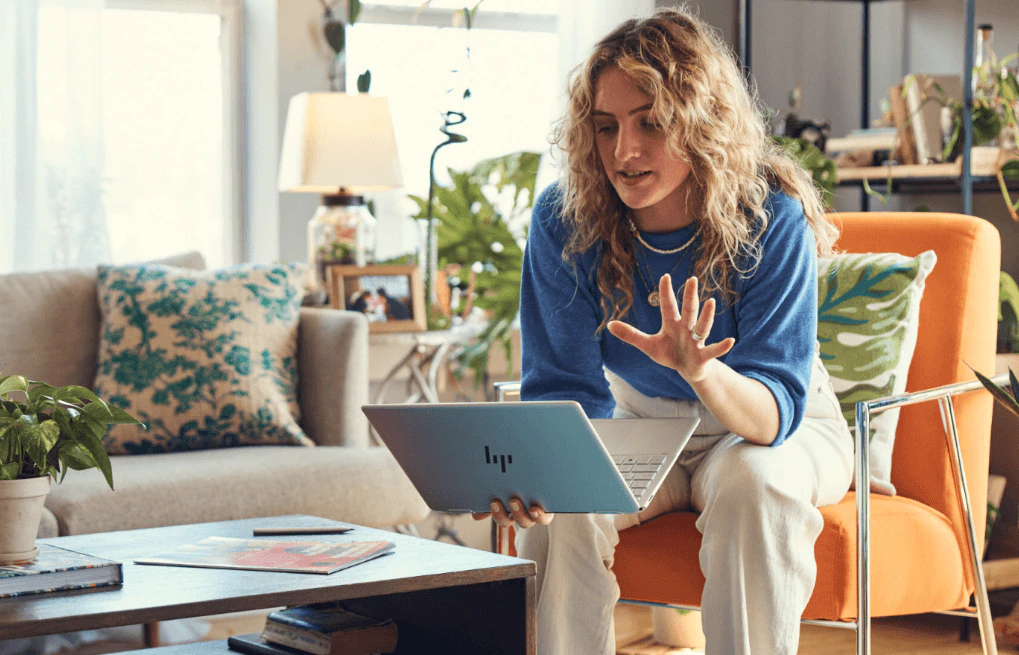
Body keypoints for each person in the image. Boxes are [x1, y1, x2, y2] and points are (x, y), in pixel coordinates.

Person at [472, 8, 853, 655]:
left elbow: (771, 412)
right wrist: (537, 474)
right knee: (564, 507)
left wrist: (700, 369)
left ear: (700, 121)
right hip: (641, 421)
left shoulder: (768, 218)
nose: (624, 150)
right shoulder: (566, 222)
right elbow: (563, 388)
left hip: (771, 422)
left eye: (650, 121)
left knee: (751, 486)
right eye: (606, 126)